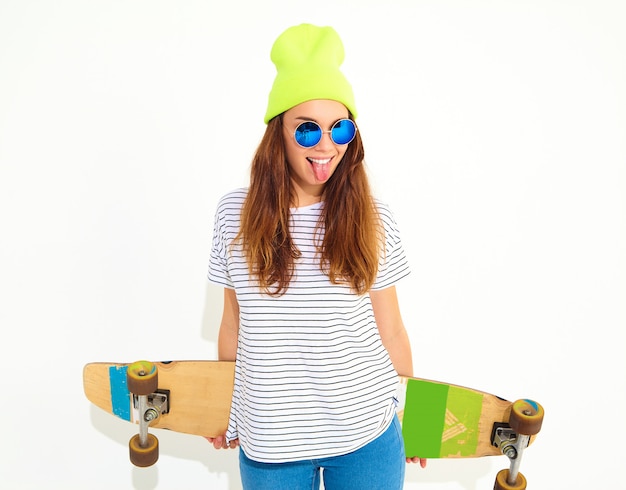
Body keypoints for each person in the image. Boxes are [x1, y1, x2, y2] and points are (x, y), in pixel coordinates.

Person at [206, 23, 426, 489]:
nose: (326, 145)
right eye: (306, 130)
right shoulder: (235, 214)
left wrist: (422, 423)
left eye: (339, 126)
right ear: (278, 134)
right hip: (271, 441)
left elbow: (392, 329)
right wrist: (216, 403)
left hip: (366, 434)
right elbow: (232, 324)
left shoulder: (373, 216)